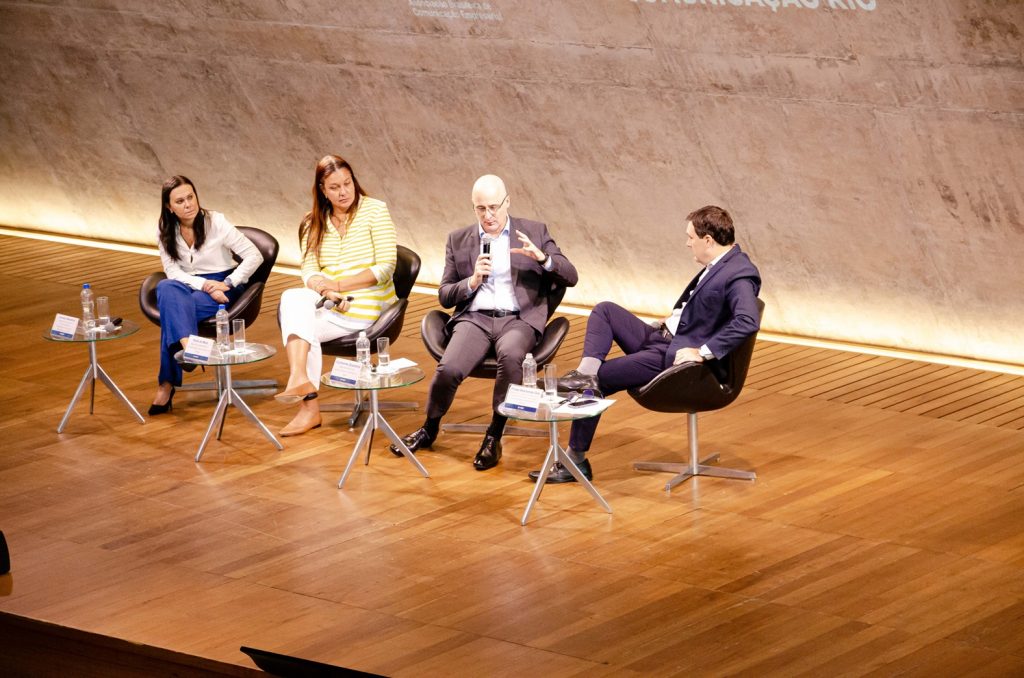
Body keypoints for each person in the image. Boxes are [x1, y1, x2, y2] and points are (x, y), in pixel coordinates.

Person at [534, 205, 761, 483]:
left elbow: (747, 321)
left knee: (599, 381)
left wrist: (702, 353)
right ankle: (584, 374)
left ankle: (575, 460)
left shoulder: (739, 273)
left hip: (672, 355)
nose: (687, 243)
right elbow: (704, 311)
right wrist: (670, 321)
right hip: (662, 336)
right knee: (605, 311)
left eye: (690, 237)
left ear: (708, 240)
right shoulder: (721, 265)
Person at [393, 174, 578, 470]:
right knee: (449, 368)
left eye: (494, 207)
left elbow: (571, 275)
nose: (488, 216)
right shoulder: (459, 239)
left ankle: (494, 436)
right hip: (475, 319)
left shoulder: (534, 231)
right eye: (481, 209)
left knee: (512, 356)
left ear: (507, 202)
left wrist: (543, 258)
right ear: (473, 207)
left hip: (518, 319)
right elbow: (444, 295)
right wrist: (472, 281)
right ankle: (429, 428)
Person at [275, 154, 398, 437]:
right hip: (329, 299)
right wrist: (326, 289)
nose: (343, 192)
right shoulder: (312, 222)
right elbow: (309, 270)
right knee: (292, 297)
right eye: (334, 187)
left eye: (347, 183)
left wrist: (339, 286)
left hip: (368, 301)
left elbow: (386, 267)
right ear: (322, 190)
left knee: (301, 328)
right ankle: (301, 380)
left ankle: (307, 404)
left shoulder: (375, 210)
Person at [150, 175, 264, 415]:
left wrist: (227, 283)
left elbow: (255, 255)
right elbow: (172, 271)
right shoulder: (164, 230)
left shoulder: (216, 221)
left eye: (190, 197)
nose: (188, 204)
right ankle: (188, 346)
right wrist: (204, 286)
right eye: (180, 201)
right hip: (189, 286)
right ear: (169, 207)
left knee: (173, 311)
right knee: (165, 287)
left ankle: (166, 385)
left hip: (223, 284)